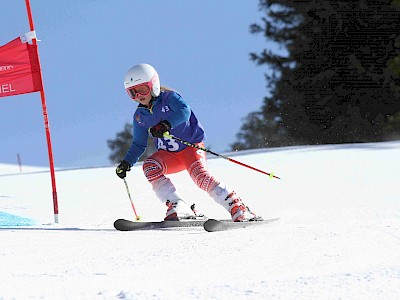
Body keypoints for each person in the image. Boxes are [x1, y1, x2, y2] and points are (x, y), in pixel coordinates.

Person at [116, 63, 260, 222]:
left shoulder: (169, 98)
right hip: (169, 156)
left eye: (142, 89)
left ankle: (237, 207)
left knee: (200, 177)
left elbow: (184, 111)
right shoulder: (139, 116)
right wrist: (126, 163)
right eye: (132, 92)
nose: (138, 95)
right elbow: (139, 144)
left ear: (154, 85)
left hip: (191, 148)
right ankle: (179, 206)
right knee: (150, 166)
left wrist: (166, 124)